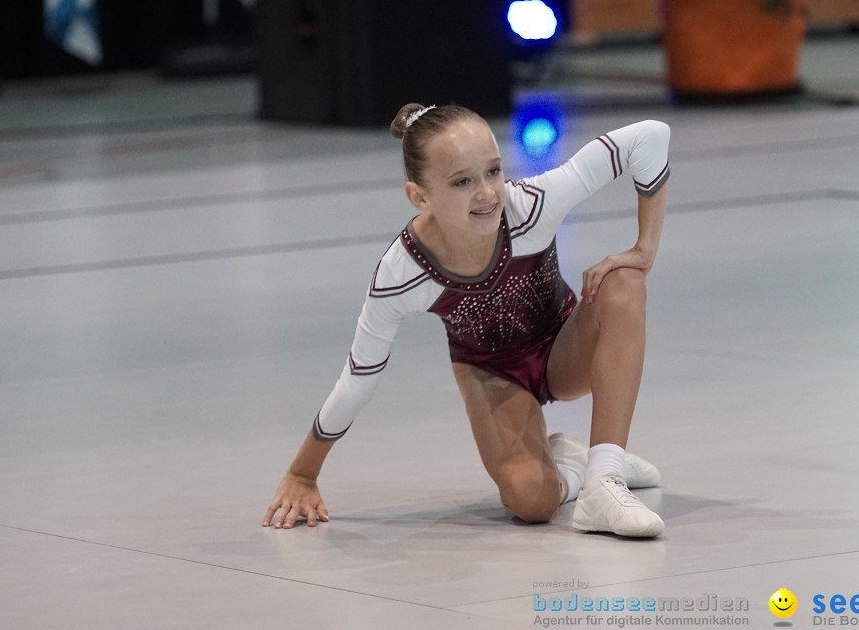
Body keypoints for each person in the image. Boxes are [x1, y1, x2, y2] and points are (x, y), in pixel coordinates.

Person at [263, 103, 671, 537]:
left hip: (564, 348)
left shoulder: (531, 206)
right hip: (492, 374)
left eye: (493, 171)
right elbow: (358, 378)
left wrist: (645, 248)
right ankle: (573, 464)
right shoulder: (403, 272)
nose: (487, 193)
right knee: (532, 502)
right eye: (462, 181)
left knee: (624, 283)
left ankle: (604, 477)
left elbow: (649, 136)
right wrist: (303, 474)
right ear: (420, 196)